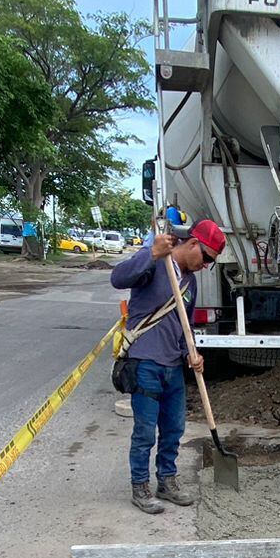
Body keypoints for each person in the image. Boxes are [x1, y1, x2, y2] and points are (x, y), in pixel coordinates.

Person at [109, 218, 227, 514]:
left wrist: (192, 353)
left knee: (174, 427)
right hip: (145, 360)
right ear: (193, 244)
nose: (206, 265)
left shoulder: (190, 281)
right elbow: (118, 278)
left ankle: (167, 480)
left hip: (173, 364)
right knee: (146, 431)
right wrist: (150, 254)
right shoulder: (154, 262)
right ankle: (140, 486)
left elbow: (182, 325)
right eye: (207, 258)